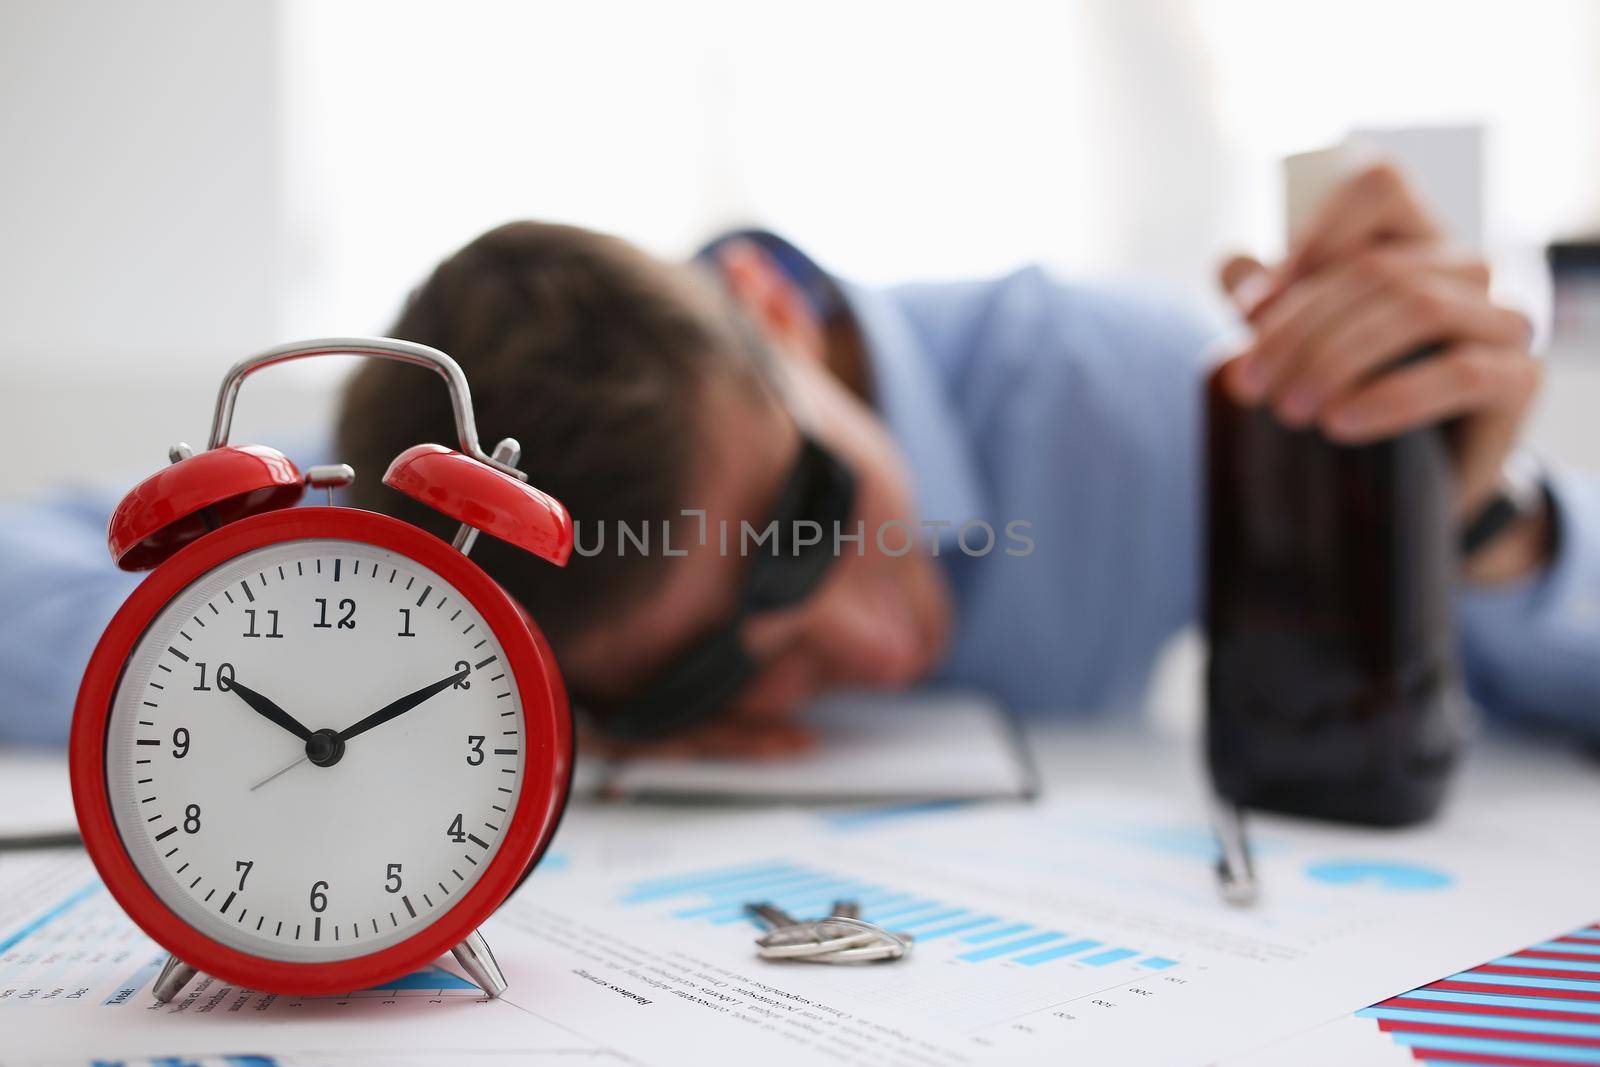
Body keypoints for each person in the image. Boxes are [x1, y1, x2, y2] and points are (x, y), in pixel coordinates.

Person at [2, 166, 1596, 754]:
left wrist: (1464, 528)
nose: (862, 650)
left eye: (802, 535)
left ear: (766, 305)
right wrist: (403, 648)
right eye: (701, 674)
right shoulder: (447, 495)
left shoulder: (1122, 393)